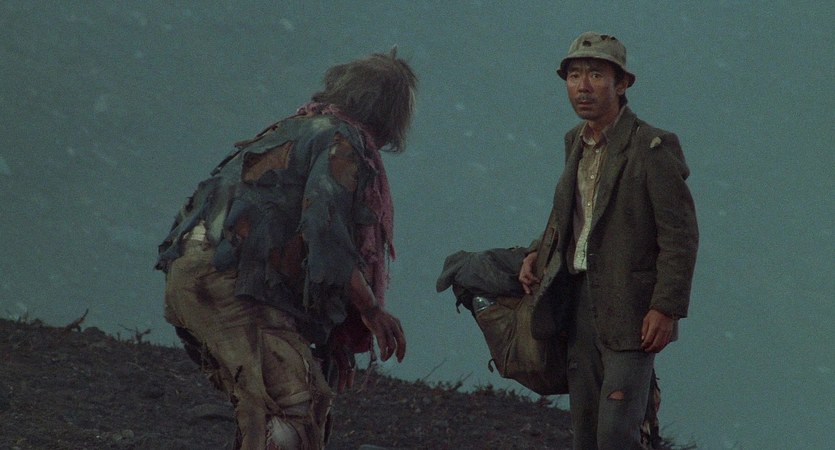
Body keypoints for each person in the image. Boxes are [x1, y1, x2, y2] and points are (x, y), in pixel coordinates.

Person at [155, 49, 415, 450]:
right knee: (296, 404)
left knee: (268, 402)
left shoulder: (292, 129)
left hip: (196, 278)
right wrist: (370, 309)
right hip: (233, 284)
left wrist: (331, 336)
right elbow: (324, 230)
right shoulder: (341, 140)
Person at [518, 32, 699, 449]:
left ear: (622, 84)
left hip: (633, 309)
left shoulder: (652, 146)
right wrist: (537, 251)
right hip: (579, 301)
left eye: (596, 75)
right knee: (585, 430)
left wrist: (666, 307)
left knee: (617, 432)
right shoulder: (575, 142)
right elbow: (572, 212)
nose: (583, 86)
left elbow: (680, 234)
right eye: (574, 75)